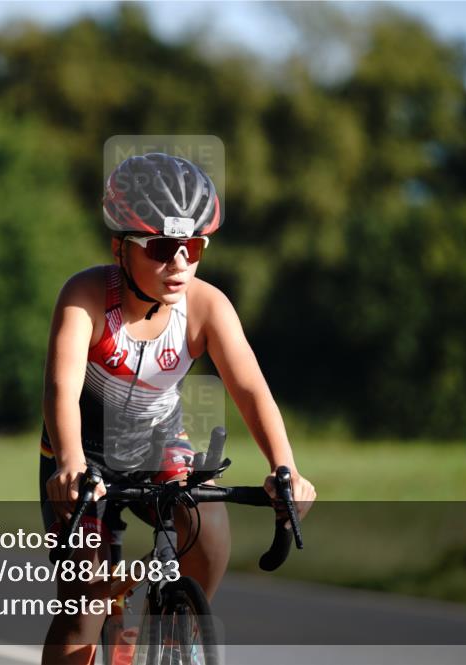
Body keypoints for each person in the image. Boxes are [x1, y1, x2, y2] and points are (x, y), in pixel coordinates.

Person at [39, 153, 316, 665]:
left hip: (157, 440)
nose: (180, 265)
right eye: (163, 248)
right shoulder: (86, 295)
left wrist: (286, 468)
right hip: (82, 448)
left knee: (208, 531)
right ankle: (104, 609)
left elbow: (252, 389)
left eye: (193, 248)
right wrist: (71, 462)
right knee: (85, 604)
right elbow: (61, 386)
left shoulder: (207, 305)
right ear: (120, 248)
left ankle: (168, 631)